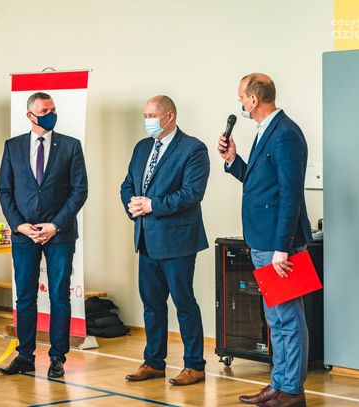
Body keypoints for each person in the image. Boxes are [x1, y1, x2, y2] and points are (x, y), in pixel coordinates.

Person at [219, 73, 312, 407]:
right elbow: (259, 183)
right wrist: (233, 160)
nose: (240, 103)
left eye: (241, 97)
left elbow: (290, 194)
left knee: (288, 318)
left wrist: (282, 247)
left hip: (279, 244)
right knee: (275, 318)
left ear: (254, 99)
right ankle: (279, 383)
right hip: (263, 241)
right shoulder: (265, 131)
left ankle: (292, 390)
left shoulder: (285, 133)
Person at [0, 92, 88, 378]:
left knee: (60, 296)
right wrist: (19, 225)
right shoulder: (12, 147)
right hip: (24, 235)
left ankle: (57, 358)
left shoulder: (71, 146)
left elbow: (79, 191)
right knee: (25, 296)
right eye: (45, 111)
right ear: (30, 115)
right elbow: (4, 190)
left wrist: (55, 225)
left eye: (53, 109)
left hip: (60, 235)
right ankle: (24, 356)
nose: (51, 114)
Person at [120, 95, 210, 386]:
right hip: (146, 238)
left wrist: (152, 205)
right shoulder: (142, 147)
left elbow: (192, 193)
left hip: (178, 241)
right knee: (152, 305)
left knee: (184, 303)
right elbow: (128, 184)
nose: (147, 121)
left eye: (151, 116)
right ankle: (153, 362)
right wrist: (133, 205)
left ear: (169, 116)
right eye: (145, 116)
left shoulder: (193, 148)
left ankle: (194, 365)